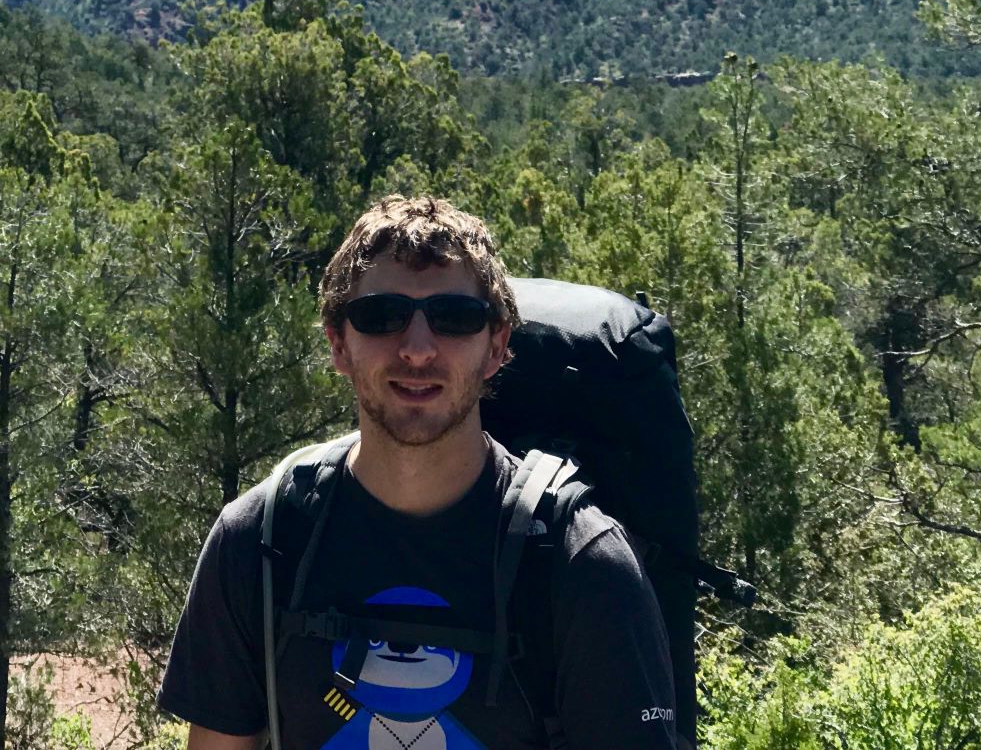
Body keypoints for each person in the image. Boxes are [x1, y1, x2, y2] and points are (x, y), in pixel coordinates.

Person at [158, 196, 679, 750]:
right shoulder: (261, 541)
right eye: (382, 317)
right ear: (339, 343)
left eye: (454, 318)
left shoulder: (582, 564)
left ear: (497, 345)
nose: (417, 349)